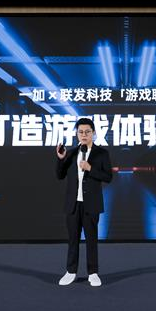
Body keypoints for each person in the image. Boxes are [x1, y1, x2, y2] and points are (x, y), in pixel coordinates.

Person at [55, 118, 113, 286]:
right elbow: (60, 175)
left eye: (87, 131)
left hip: (91, 204)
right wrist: (60, 159)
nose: (84, 135)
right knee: (73, 239)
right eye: (80, 132)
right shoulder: (71, 153)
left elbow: (108, 177)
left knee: (91, 240)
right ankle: (71, 272)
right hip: (73, 204)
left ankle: (93, 273)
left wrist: (90, 169)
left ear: (93, 133)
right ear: (77, 134)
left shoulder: (101, 153)